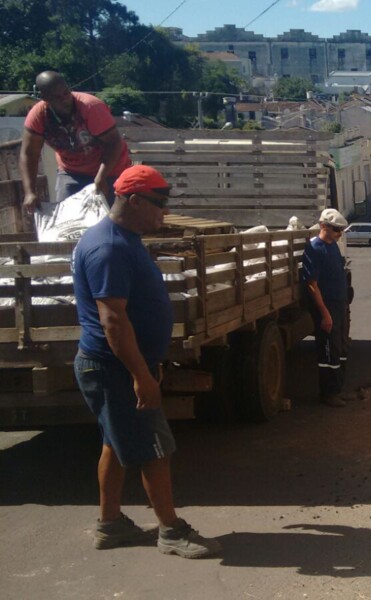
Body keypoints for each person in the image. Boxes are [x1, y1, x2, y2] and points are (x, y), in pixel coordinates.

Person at [71, 165, 221, 558]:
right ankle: (171, 531)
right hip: (115, 369)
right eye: (159, 204)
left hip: (115, 367)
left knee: (115, 444)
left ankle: (110, 524)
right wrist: (140, 375)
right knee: (155, 447)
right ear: (134, 201)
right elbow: (114, 321)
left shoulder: (124, 238)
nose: (164, 212)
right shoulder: (109, 247)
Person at [20, 71, 132, 212]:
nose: (65, 99)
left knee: (111, 218)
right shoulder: (38, 117)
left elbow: (114, 144)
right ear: (45, 98)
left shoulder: (90, 107)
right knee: (67, 217)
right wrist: (30, 192)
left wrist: (101, 178)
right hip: (71, 172)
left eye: (66, 92)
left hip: (110, 170)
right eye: (58, 97)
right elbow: (29, 154)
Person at [302, 208, 350, 407]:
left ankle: (338, 389)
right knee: (328, 351)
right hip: (328, 307)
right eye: (336, 229)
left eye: (341, 230)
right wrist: (325, 314)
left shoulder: (333, 246)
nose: (339, 234)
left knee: (340, 347)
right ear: (323, 226)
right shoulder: (315, 248)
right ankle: (328, 394)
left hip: (340, 305)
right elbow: (312, 284)